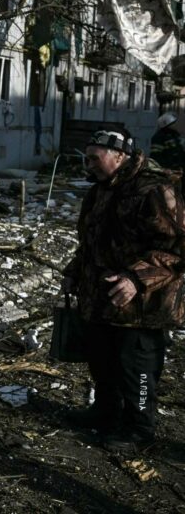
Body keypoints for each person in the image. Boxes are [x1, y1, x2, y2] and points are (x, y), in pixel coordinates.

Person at [61, 127, 185, 453]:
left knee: (136, 369)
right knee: (102, 360)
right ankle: (105, 414)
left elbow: (175, 249)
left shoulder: (154, 190)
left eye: (94, 158)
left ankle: (139, 429)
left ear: (120, 155)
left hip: (144, 304)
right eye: (86, 158)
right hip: (103, 298)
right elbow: (90, 242)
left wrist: (136, 278)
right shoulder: (101, 190)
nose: (88, 165)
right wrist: (74, 273)